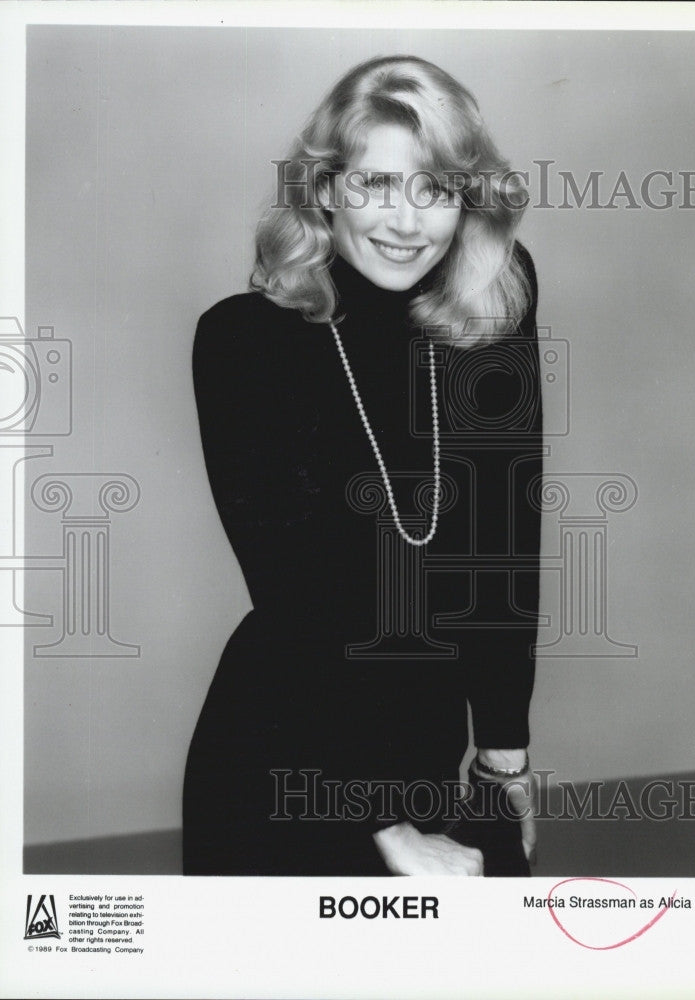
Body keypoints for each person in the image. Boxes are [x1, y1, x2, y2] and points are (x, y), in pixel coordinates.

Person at [183, 55, 543, 876]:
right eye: (378, 184)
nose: (407, 222)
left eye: (437, 189)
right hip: (291, 758)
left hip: (431, 745)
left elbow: (505, 541)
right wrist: (385, 827)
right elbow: (296, 598)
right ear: (323, 188)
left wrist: (504, 754)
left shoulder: (491, 298)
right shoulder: (245, 340)